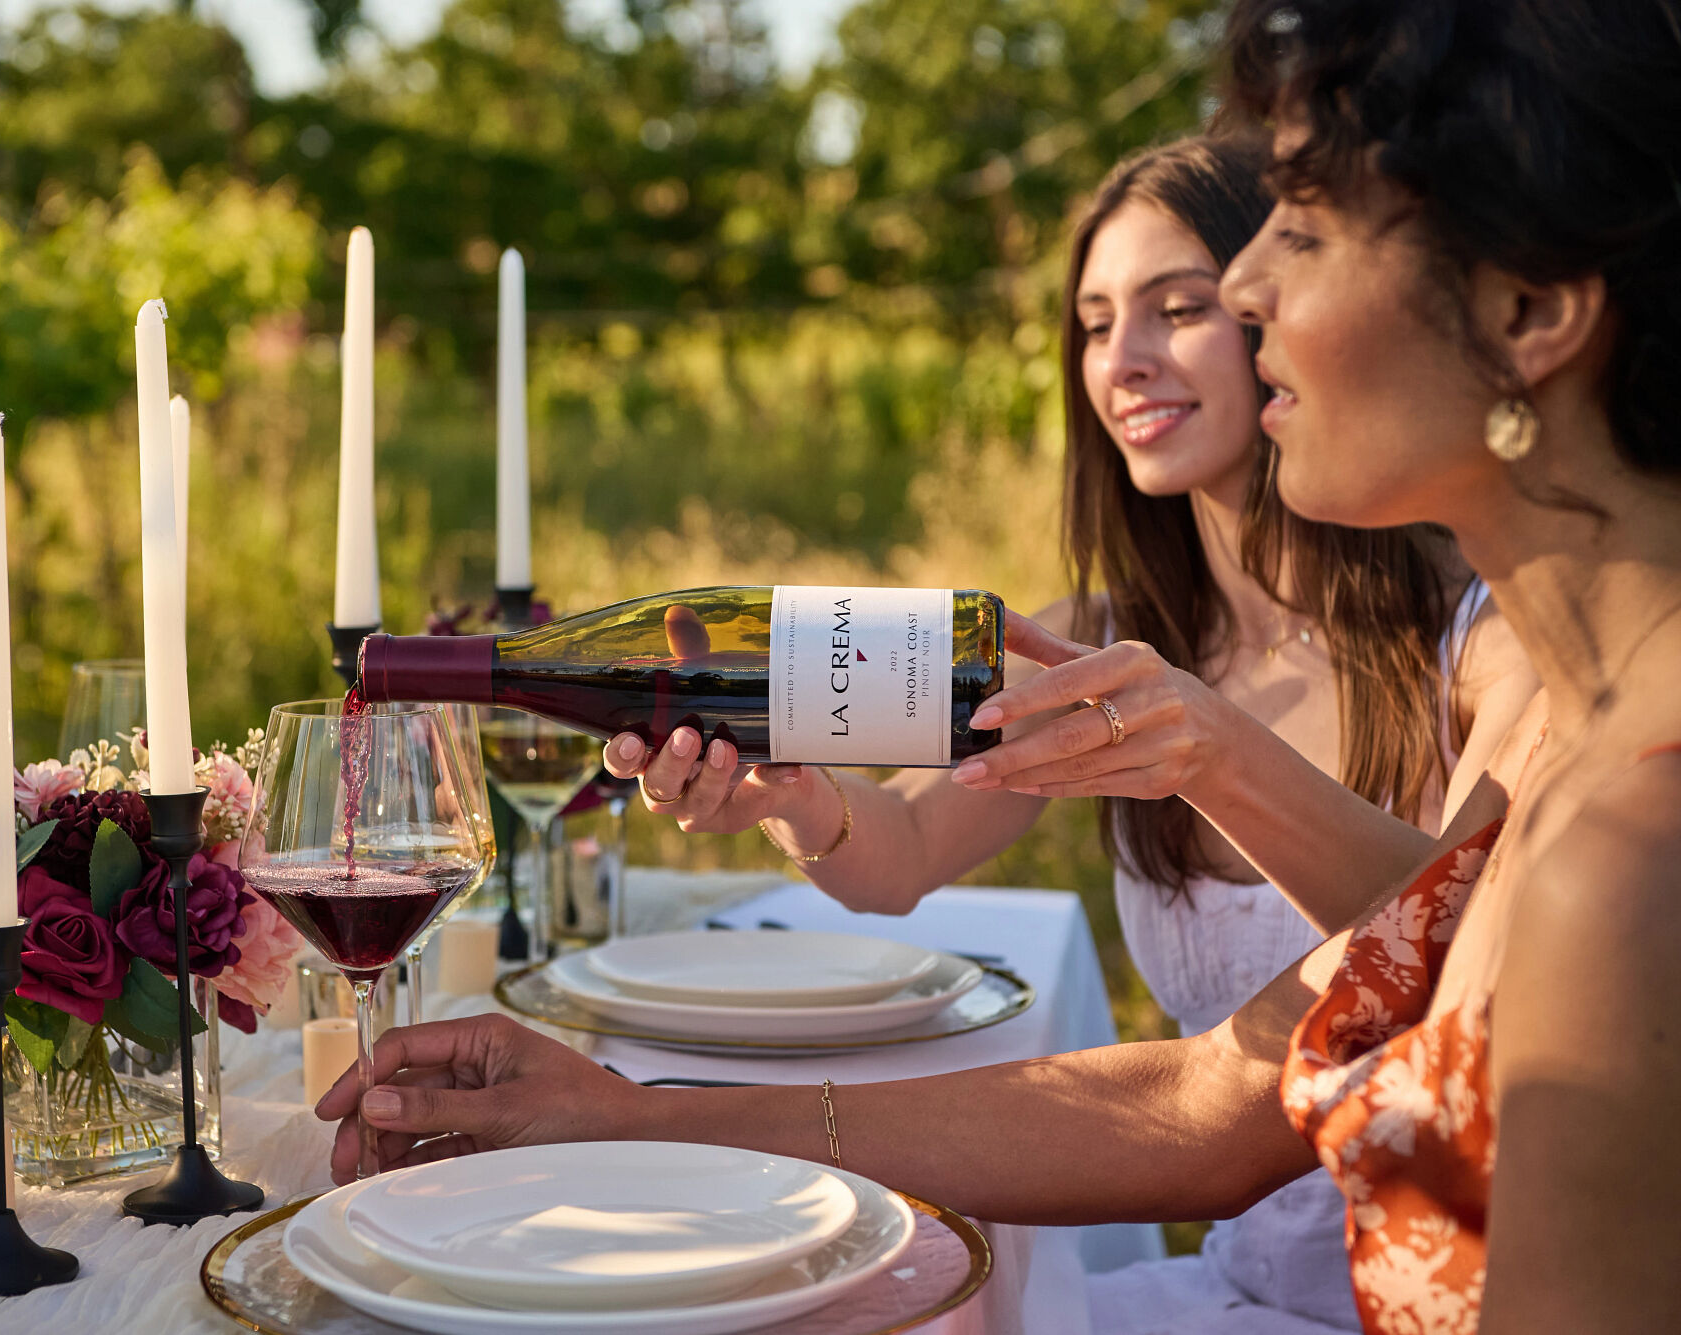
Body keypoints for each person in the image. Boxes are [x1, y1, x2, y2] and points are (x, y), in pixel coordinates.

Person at [320, 0, 1681, 1326]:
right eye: (1098, 320)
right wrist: (631, 1109)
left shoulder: (1626, 830)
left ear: (1530, 308)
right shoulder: (1557, 728)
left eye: (1303, 232)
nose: (1253, 293)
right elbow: (1213, 1102)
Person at [609, 135, 1535, 1332]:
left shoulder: (1477, 638)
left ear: (1280, 307)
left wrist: (1215, 755)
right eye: (1095, 324)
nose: (1125, 361)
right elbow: (895, 857)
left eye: (1177, 308)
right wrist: (797, 797)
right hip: (1234, 1286)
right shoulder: (1094, 643)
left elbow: (1459, 969)